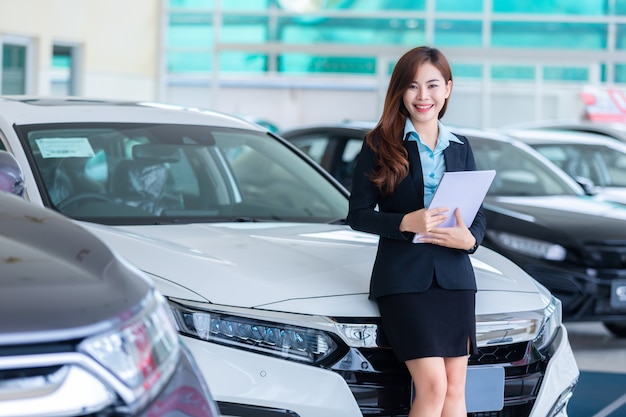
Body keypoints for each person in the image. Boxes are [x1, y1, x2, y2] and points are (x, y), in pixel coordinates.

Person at [346, 46, 486, 417]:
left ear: (448, 89)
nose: (423, 96)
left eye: (432, 85)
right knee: (433, 386)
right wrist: (405, 223)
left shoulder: (460, 147)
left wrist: (470, 240)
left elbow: (478, 215)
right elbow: (358, 215)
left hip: (455, 278)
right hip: (405, 280)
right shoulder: (379, 144)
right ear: (399, 92)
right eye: (412, 86)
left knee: (455, 388)